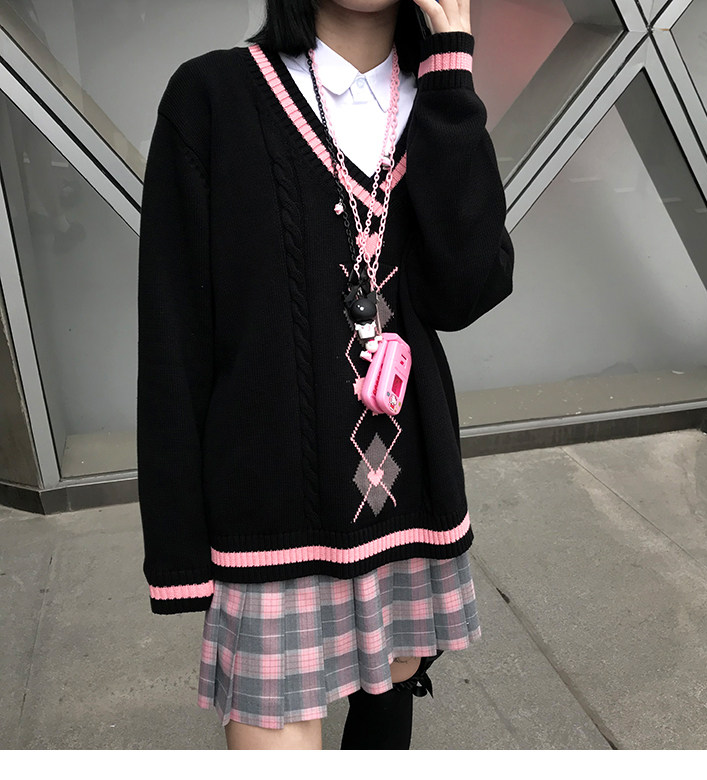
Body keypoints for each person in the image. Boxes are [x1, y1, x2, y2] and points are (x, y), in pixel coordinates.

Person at [136, 0, 514, 751]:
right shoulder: (212, 97)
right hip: (270, 511)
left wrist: (452, 69)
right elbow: (174, 335)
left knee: (395, 678)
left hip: (408, 492)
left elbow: (467, 291)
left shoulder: (437, 101)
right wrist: (178, 551)